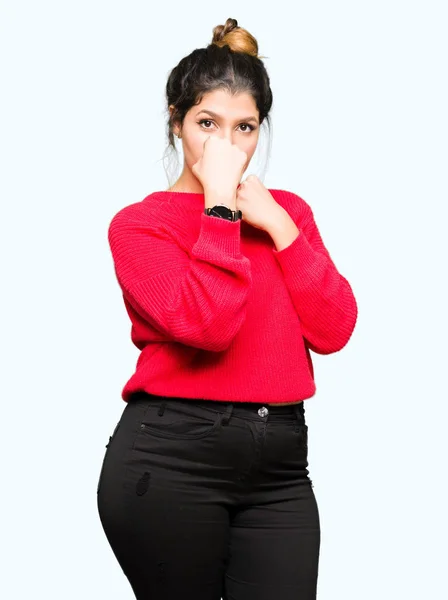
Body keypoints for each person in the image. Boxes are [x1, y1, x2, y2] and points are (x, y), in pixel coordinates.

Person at [96, 17, 358, 600]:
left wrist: (283, 228)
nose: (227, 145)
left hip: (281, 469)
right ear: (176, 121)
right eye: (207, 124)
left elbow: (335, 327)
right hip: (169, 463)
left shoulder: (285, 213)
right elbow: (207, 326)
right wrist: (220, 209)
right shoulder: (141, 225)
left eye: (245, 128)